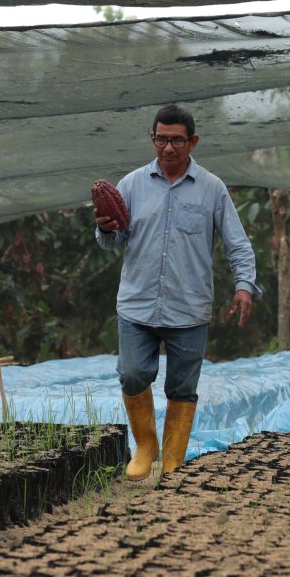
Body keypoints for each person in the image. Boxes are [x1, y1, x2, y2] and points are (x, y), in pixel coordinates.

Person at [95, 104, 261, 481]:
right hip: (138, 304)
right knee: (133, 374)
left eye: (177, 140)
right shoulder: (132, 184)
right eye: (161, 139)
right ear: (152, 138)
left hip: (189, 307)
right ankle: (146, 445)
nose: (168, 148)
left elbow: (237, 243)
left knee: (182, 387)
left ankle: (172, 460)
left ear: (192, 142)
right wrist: (105, 228)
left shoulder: (212, 189)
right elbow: (112, 240)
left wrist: (244, 285)